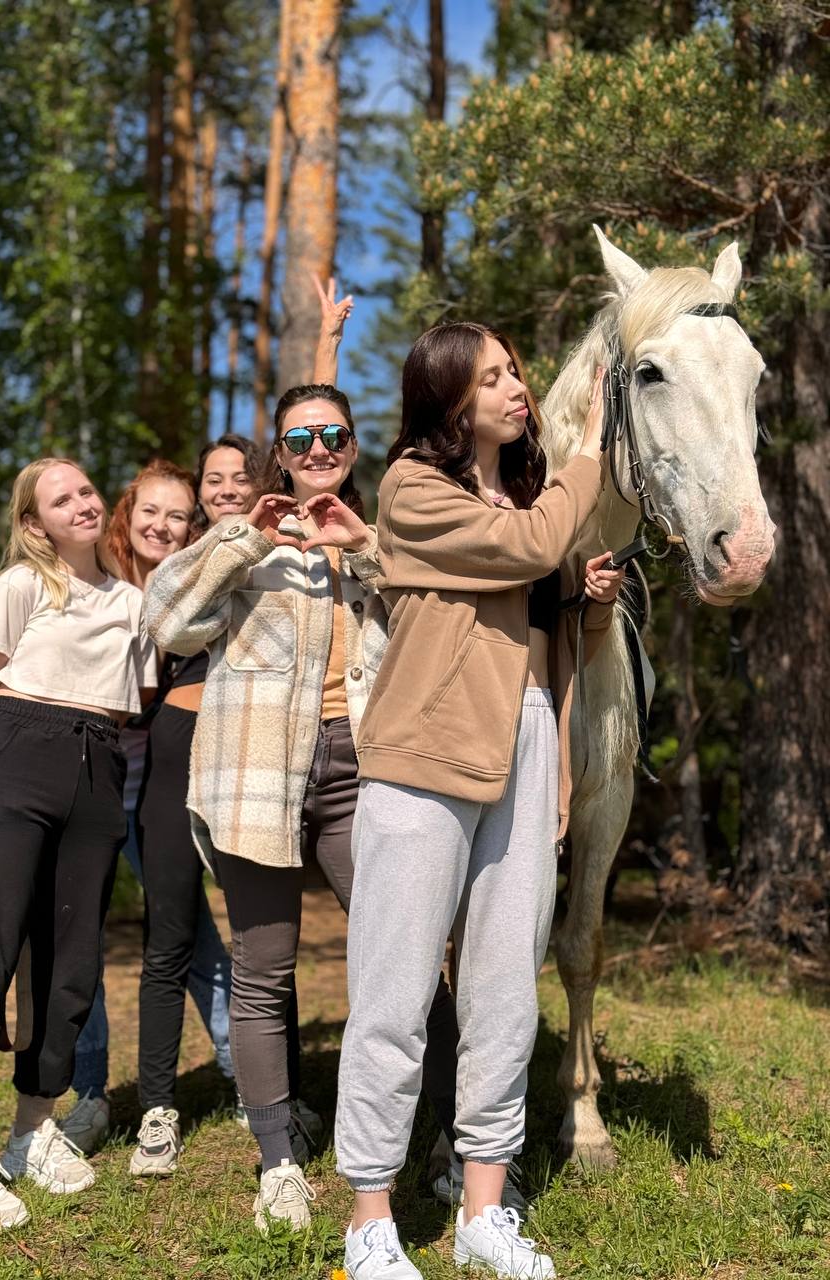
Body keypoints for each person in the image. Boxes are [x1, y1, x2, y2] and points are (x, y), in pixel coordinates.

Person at [335, 325, 624, 1280]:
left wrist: (585, 600)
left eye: (514, 371)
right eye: (490, 376)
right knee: (395, 992)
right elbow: (532, 544)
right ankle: (370, 1216)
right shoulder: (414, 489)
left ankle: (481, 1209)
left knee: (505, 991)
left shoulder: (531, 497)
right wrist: (590, 453)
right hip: (426, 747)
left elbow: (545, 620)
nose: (516, 387)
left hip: (527, 730)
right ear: (450, 401)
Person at [144, 384, 461, 1231]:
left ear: (354, 444)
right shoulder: (240, 540)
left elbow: (441, 626)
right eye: (301, 437)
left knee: (409, 957)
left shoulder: (382, 531)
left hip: (367, 774)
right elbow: (167, 621)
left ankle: (453, 1142)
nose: (320, 448)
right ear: (277, 454)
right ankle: (278, 1159)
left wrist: (362, 551)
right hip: (256, 775)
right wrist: (246, 538)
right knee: (262, 972)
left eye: (335, 434)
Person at [0, 458, 156, 1229]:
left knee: (68, 965)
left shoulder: (130, 602)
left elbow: (138, 698)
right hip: (13, 758)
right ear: (34, 523)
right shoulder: (21, 587)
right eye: (61, 499)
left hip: (98, 767)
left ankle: (30, 1130)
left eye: (87, 490)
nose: (82, 504)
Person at [60, 457, 240, 1154]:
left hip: (156, 787)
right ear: (125, 519)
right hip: (87, 787)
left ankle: (245, 1072)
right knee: (78, 942)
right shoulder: (97, 588)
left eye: (179, 515)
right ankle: (88, 1093)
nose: (164, 526)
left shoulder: (188, 585)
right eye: (151, 513)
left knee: (192, 938)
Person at [126, 434, 272, 1175]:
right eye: (210, 479)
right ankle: (157, 1110)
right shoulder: (180, 561)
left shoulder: (278, 543)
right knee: (169, 936)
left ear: (258, 484)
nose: (222, 487)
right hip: (179, 740)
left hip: (251, 747)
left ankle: (269, 1098)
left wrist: (327, 347)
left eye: (235, 476)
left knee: (259, 941)